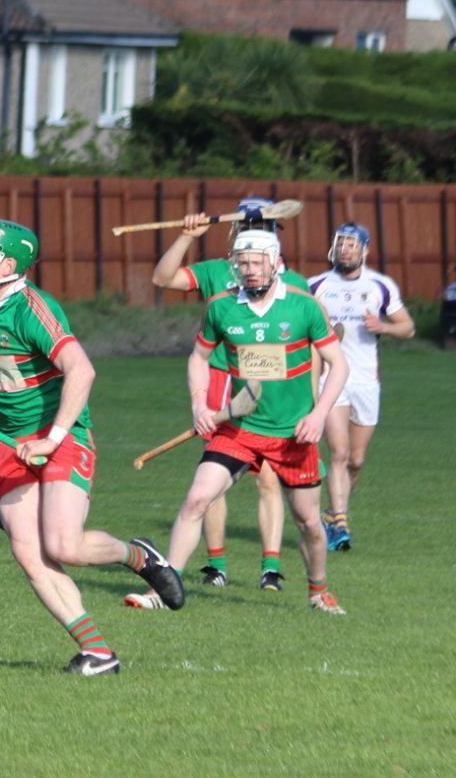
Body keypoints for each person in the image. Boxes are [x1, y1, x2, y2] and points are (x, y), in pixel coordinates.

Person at [0, 219, 184, 676]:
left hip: (61, 436)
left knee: (65, 546)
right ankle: (99, 653)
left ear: (10, 265)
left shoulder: (31, 308)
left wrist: (52, 439)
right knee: (29, 554)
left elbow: (81, 371)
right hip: (10, 444)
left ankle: (139, 556)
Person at [130, 197, 310, 603]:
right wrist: (185, 236)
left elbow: (313, 348)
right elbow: (163, 278)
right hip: (224, 388)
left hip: (278, 399)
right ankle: (215, 566)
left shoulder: (294, 285)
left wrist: (312, 405)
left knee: (267, 482)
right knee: (210, 486)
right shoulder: (217, 272)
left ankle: (270, 567)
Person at [161, 229, 349, 614]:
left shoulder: (303, 307)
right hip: (240, 428)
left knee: (311, 522)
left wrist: (317, 415)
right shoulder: (220, 306)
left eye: (256, 262)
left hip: (292, 434)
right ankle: (166, 587)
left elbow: (339, 364)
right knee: (197, 498)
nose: (248, 270)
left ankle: (318, 590)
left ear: (275, 263)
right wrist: (199, 404)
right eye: (242, 263)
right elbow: (198, 358)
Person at [310, 223, 414, 550]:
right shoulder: (317, 286)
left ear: (364, 250)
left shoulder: (380, 286)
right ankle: (340, 522)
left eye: (352, 244)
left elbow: (408, 328)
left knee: (355, 459)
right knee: (338, 452)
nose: (345, 249)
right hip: (331, 379)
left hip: (366, 381)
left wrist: (382, 325)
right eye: (340, 243)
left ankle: (332, 514)